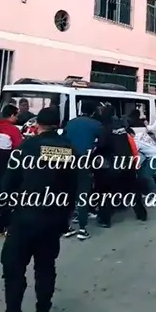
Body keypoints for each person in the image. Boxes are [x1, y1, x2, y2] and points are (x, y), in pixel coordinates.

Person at [1, 106, 77, 312]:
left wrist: (4, 218)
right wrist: (64, 220)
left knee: (13, 268)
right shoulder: (68, 150)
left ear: (37, 125)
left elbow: (8, 185)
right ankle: (42, 310)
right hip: (52, 220)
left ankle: (13, 311)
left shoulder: (27, 147)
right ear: (59, 125)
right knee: (45, 268)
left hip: (24, 218)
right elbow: (73, 188)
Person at [93, 105, 147, 228]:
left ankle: (104, 220)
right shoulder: (121, 126)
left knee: (108, 193)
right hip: (128, 162)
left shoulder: (105, 128)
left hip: (115, 165)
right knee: (132, 190)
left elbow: (102, 146)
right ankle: (141, 214)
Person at [61, 101, 103, 240]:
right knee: (83, 193)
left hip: (68, 161)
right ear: (93, 112)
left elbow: (64, 139)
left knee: (68, 194)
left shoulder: (71, 123)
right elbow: (102, 142)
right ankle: (82, 229)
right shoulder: (96, 124)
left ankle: (66, 227)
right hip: (84, 162)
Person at [0, 104, 23, 235]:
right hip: (5, 167)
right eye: (17, 115)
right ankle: (3, 226)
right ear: (12, 115)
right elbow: (19, 148)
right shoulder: (12, 129)